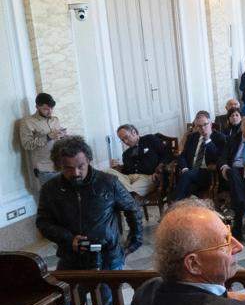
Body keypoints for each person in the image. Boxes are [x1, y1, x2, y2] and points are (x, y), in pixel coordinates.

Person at [36, 136, 144, 272]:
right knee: (70, 293)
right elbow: (43, 222)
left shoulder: (109, 182)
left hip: (108, 258)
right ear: (59, 166)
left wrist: (133, 243)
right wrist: (69, 239)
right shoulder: (50, 189)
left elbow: (132, 209)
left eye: (80, 166)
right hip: (70, 258)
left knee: (108, 294)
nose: (75, 173)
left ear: (88, 160)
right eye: (68, 168)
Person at [171, 112, 225, 201]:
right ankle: (183, 210)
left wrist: (208, 140)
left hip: (208, 173)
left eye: (205, 125)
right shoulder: (192, 137)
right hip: (190, 172)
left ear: (211, 124)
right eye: (199, 126)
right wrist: (184, 169)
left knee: (185, 182)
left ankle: (174, 205)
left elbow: (219, 157)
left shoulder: (220, 138)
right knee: (189, 188)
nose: (203, 128)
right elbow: (182, 155)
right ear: (196, 127)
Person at [110, 124, 169, 197]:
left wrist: (159, 170)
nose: (125, 142)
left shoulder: (149, 139)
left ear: (134, 132)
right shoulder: (126, 154)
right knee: (107, 171)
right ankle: (128, 194)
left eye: (126, 137)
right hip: (129, 178)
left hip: (147, 178)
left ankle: (127, 195)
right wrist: (118, 168)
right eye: (122, 140)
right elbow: (126, 171)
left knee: (124, 193)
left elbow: (166, 154)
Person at [20, 92, 66, 185]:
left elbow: (57, 140)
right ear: (37, 107)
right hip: (45, 169)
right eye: (45, 109)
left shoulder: (55, 120)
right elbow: (27, 145)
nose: (50, 112)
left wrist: (63, 136)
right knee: (49, 198)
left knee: (66, 197)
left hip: (61, 165)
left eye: (51, 108)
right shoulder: (27, 122)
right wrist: (48, 137)